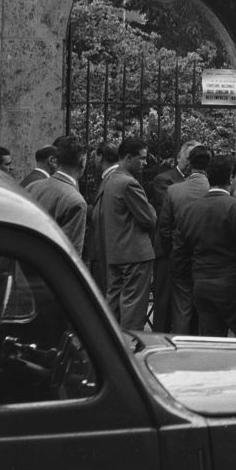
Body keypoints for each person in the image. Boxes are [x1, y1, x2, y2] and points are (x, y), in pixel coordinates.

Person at [170, 153, 236, 339]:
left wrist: (194, 280)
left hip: (203, 285)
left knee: (212, 342)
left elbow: (179, 255)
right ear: (231, 177)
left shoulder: (188, 211)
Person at [97, 136, 156, 330]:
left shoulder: (111, 180)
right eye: (142, 158)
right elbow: (149, 218)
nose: (145, 163)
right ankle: (130, 345)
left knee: (113, 301)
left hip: (116, 252)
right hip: (135, 254)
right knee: (133, 306)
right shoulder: (128, 183)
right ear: (128, 157)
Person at [157, 145, 212, 334]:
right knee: (207, 310)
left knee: (182, 308)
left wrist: (172, 251)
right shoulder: (215, 190)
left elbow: (164, 228)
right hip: (209, 257)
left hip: (180, 255)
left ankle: (181, 345)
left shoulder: (174, 191)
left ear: (189, 163)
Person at [28, 135, 87, 253]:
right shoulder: (76, 202)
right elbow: (71, 254)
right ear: (83, 161)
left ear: (56, 160)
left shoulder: (32, 187)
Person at [83, 140, 118, 291]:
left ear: (100, 156)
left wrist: (85, 208)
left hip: (106, 249)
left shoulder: (114, 178)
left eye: (94, 156)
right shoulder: (110, 177)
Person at [151, 140, 197, 209]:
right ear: (178, 157)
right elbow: (169, 208)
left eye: (195, 160)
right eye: (188, 159)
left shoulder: (200, 180)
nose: (191, 163)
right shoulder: (163, 180)